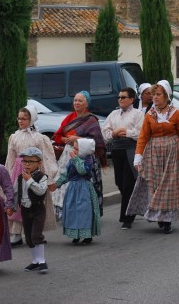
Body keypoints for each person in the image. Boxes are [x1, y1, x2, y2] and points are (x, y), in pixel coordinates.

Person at [128, 80, 179, 234]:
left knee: (169, 186)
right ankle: (160, 216)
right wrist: (138, 156)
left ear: (166, 95)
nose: (155, 97)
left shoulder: (176, 113)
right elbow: (143, 137)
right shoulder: (150, 115)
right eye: (153, 94)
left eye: (158, 94)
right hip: (153, 154)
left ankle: (167, 220)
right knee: (156, 185)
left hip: (171, 154)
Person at [5, 106, 57, 248]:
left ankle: (36, 233)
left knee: (34, 202)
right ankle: (15, 234)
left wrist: (49, 179)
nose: (20, 121)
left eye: (24, 118)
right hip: (18, 172)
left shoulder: (39, 138)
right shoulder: (14, 137)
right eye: (19, 118)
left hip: (35, 173)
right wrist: (8, 177)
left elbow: (46, 158)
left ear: (31, 119)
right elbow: (10, 158)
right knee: (18, 200)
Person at [52, 91, 106, 220]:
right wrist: (66, 140)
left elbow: (97, 142)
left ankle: (88, 213)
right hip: (68, 154)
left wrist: (78, 138)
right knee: (66, 181)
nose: (76, 103)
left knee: (85, 185)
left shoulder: (92, 120)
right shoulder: (69, 118)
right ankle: (65, 211)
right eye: (75, 100)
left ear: (87, 103)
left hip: (85, 156)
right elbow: (58, 135)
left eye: (80, 100)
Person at [102, 87, 144, 229]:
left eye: (123, 97)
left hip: (131, 149)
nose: (120, 99)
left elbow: (141, 132)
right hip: (117, 150)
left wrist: (125, 132)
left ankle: (127, 217)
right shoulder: (114, 114)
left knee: (128, 183)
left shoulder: (138, 114)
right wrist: (113, 134)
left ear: (131, 99)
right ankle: (132, 206)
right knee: (119, 182)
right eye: (119, 97)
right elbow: (105, 131)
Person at [49, 138, 101, 244]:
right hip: (73, 188)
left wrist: (76, 159)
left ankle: (87, 235)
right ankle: (76, 234)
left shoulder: (88, 159)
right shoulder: (73, 159)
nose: (74, 151)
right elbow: (67, 174)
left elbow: (82, 171)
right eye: (74, 148)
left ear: (84, 150)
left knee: (83, 211)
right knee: (73, 211)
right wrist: (57, 184)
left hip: (84, 188)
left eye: (77, 149)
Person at [14, 147, 50, 274]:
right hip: (25, 209)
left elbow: (41, 190)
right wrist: (11, 206)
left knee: (36, 235)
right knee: (29, 237)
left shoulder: (42, 177)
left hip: (37, 208)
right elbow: (15, 192)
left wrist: (29, 180)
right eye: (24, 161)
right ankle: (35, 261)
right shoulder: (20, 177)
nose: (27, 164)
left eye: (31, 161)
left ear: (39, 163)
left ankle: (42, 260)